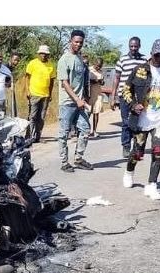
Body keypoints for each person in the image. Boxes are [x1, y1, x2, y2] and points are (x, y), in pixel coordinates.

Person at [120, 39, 160, 200]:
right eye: (156, 55)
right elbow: (126, 90)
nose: (158, 58)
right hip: (142, 118)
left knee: (158, 152)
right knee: (138, 152)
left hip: (159, 118)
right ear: (151, 53)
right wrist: (133, 104)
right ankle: (129, 171)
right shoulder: (140, 70)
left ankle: (152, 185)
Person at [56, 30, 93, 172]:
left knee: (85, 129)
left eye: (81, 42)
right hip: (67, 103)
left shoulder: (79, 60)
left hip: (80, 103)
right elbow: (64, 83)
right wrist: (77, 99)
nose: (78, 44)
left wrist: (83, 98)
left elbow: (82, 81)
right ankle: (64, 162)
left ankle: (78, 158)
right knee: (63, 134)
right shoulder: (64, 59)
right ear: (70, 41)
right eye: (76, 41)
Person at [112, 37, 147, 158]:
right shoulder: (122, 60)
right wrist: (113, 96)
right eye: (131, 46)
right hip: (124, 96)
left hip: (138, 97)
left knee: (138, 122)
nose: (133, 48)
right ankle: (126, 145)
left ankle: (137, 145)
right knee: (126, 122)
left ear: (139, 46)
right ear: (128, 46)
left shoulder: (144, 60)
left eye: (135, 46)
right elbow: (116, 78)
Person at [24, 45, 56, 143]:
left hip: (45, 95)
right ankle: (29, 136)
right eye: (42, 53)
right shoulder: (32, 63)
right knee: (32, 116)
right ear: (39, 54)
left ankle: (37, 137)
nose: (43, 55)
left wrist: (50, 94)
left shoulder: (51, 65)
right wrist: (27, 91)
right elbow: (27, 77)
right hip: (34, 93)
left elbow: (51, 82)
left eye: (45, 54)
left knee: (41, 117)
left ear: (48, 55)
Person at [88, 57, 105, 137]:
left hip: (98, 94)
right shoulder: (89, 70)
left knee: (96, 113)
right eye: (97, 66)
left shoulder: (101, 72)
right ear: (94, 63)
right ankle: (85, 130)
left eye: (100, 66)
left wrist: (101, 82)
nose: (98, 67)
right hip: (89, 94)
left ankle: (94, 131)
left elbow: (102, 81)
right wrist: (95, 81)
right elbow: (87, 81)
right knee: (87, 113)